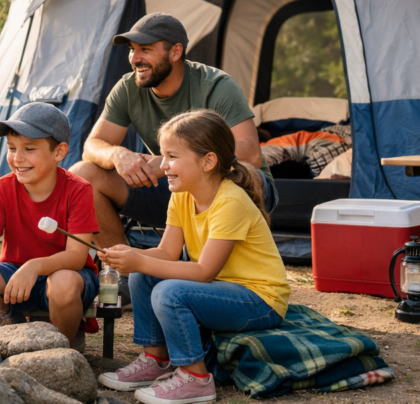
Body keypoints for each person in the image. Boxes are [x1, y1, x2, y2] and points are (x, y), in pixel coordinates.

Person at [70, 12, 276, 304]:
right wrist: (118, 155)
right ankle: (129, 275)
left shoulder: (216, 85)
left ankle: (216, 276)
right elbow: (92, 145)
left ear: (176, 52)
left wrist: (184, 161)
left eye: (145, 49)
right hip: (176, 186)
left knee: (245, 173)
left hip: (233, 187)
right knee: (84, 174)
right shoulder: (128, 88)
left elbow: (250, 153)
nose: (134, 58)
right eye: (132, 50)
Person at [97, 110, 290, 404]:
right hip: (222, 291)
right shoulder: (182, 194)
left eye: (172, 157)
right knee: (143, 274)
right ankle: (156, 360)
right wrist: (130, 254)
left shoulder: (230, 201)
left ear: (208, 161)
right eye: (163, 156)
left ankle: (196, 379)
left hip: (260, 301)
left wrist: (140, 260)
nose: (163, 166)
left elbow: (203, 273)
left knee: (169, 292)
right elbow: (166, 253)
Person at [0, 102, 99, 348]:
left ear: (59, 152)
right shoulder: (1, 189)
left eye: (29, 148)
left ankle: (63, 350)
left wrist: (35, 266)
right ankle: (14, 341)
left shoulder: (79, 190)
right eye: (12, 148)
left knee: (63, 283)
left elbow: (77, 257)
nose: (18, 158)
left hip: (69, 277)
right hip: (16, 276)